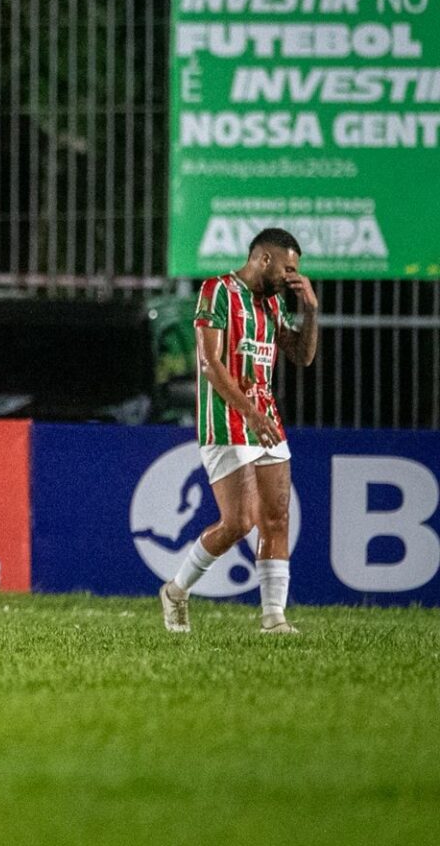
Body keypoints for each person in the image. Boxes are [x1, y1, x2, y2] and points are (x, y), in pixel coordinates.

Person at [160, 227, 318, 635]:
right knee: (239, 522)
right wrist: (248, 411)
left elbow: (301, 355)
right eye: (287, 267)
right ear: (263, 259)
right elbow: (210, 364)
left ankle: (273, 619)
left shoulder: (272, 304)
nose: (291, 276)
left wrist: (311, 310)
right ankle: (176, 591)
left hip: (265, 418)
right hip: (229, 419)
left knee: (277, 518)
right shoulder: (217, 291)